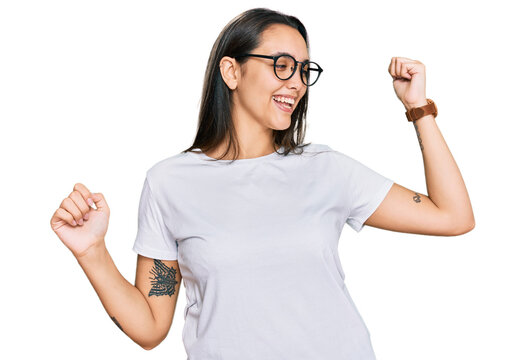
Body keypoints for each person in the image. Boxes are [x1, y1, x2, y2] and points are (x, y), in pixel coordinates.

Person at [49, 7, 475, 360]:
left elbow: (453, 216)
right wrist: (92, 251)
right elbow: (150, 328)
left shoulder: (326, 169)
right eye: (281, 65)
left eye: (304, 70)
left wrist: (419, 108)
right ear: (231, 72)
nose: (296, 83)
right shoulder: (169, 182)